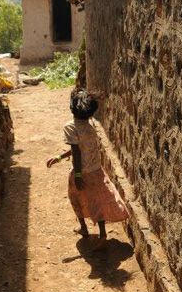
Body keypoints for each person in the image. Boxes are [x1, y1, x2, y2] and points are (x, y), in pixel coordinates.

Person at [47, 89, 130, 249]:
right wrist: (59, 157)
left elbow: (77, 151)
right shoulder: (89, 125)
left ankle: (84, 228)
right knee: (96, 202)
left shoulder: (70, 127)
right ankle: (102, 234)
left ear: (72, 107)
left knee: (75, 198)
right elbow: (79, 148)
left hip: (82, 172)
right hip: (96, 171)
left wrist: (77, 174)